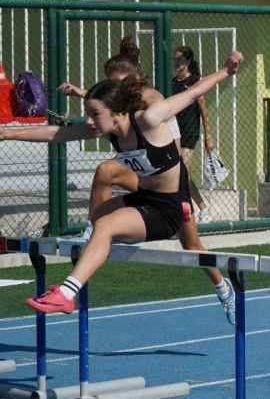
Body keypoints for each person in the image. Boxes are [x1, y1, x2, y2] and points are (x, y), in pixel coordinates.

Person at [1, 51, 243, 315]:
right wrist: (7, 133)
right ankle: (104, 238)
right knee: (99, 215)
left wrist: (227, 71)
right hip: (144, 194)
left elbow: (192, 93)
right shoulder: (110, 127)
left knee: (115, 227)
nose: (90, 123)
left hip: (169, 206)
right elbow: (57, 133)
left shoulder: (149, 118)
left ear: (117, 112)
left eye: (94, 115)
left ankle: (67, 293)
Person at [58, 38, 238, 325]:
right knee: (105, 170)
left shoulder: (151, 101)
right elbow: (101, 106)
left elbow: (189, 96)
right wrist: (81, 93)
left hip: (170, 185)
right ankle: (94, 228)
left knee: (192, 246)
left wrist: (225, 72)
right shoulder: (117, 108)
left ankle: (222, 287)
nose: (113, 90)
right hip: (145, 179)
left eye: (116, 84)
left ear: (132, 81)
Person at [171, 46, 215, 222]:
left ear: (188, 61)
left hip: (189, 133)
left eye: (180, 60)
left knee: (184, 172)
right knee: (177, 174)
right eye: (175, 60)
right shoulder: (172, 83)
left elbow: (204, 111)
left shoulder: (195, 82)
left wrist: (208, 137)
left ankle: (201, 208)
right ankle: (187, 209)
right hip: (174, 133)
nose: (176, 63)